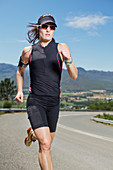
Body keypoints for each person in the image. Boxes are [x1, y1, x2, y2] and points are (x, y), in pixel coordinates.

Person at [15, 14, 78, 170]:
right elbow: (20, 71)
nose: (49, 30)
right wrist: (19, 90)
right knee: (45, 144)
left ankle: (33, 133)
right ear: (38, 29)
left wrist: (68, 61)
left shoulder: (61, 47)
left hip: (53, 102)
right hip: (36, 101)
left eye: (52, 27)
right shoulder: (28, 51)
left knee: (46, 143)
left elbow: (74, 75)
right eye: (45, 26)